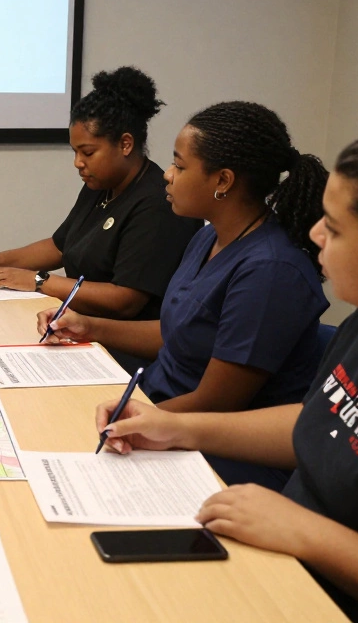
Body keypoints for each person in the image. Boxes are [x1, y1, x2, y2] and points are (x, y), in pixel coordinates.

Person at [92, 121, 358, 623]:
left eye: (334, 226)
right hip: (284, 558)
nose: (313, 233)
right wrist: (175, 426)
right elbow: (322, 420)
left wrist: (308, 532)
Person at [41, 101, 329, 488]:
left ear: (223, 181)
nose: (168, 177)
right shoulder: (209, 236)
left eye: (179, 166)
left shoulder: (271, 270)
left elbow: (217, 401)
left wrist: (137, 420)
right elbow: (176, 332)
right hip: (162, 409)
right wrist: (88, 326)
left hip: (219, 450)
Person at [0, 67, 199, 343]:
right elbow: (59, 246)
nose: (78, 162)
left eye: (87, 152)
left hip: (120, 344)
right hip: (78, 327)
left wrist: (39, 282)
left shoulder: (157, 204)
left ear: (125, 144)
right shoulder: (100, 186)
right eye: (75, 152)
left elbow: (125, 300)